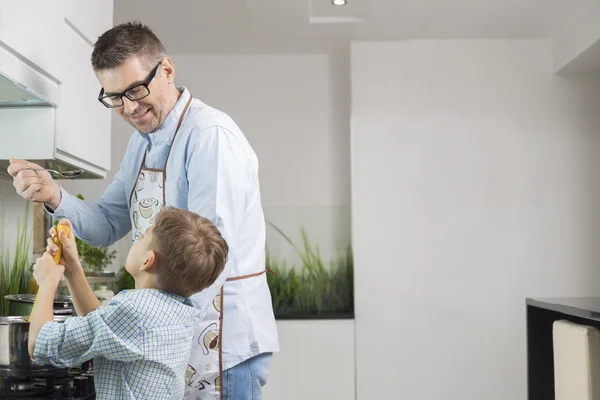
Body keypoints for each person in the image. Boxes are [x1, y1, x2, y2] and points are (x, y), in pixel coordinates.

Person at [9, 21, 278, 400]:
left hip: (220, 346)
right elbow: (106, 223)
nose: (129, 107)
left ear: (166, 69)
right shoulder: (143, 145)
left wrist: (141, 328)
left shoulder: (209, 137)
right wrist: (53, 194)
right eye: (114, 96)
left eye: (135, 89)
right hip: (170, 343)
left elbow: (212, 260)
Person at [29, 207, 228, 399]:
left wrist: (48, 281)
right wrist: (72, 268)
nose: (137, 241)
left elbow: (42, 343)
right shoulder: (177, 309)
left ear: (147, 261)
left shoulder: (133, 311)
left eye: (143, 238)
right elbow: (102, 324)